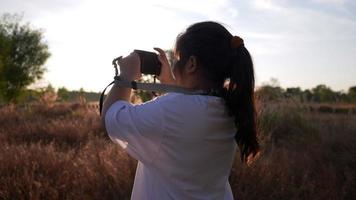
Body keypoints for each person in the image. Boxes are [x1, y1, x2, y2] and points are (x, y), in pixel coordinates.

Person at [101, 21, 260, 200]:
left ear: (191, 63)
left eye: (177, 59)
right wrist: (170, 83)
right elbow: (186, 112)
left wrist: (126, 76)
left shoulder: (170, 111)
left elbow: (111, 118)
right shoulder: (229, 105)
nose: (174, 64)